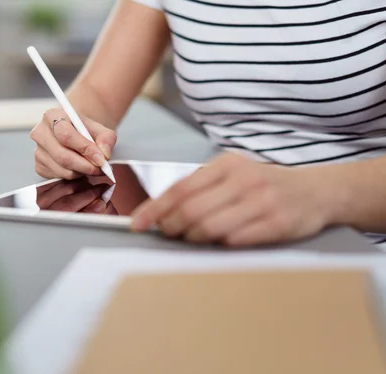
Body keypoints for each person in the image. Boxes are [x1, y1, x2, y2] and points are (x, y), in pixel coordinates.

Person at [29, 0, 386, 247]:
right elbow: (98, 92)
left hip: (365, 241)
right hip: (224, 235)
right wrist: (69, 127)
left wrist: (316, 194)